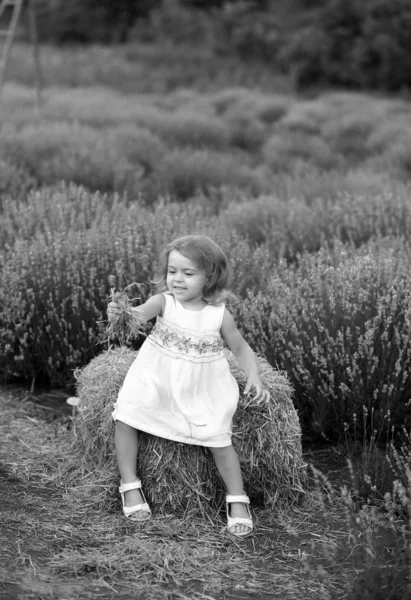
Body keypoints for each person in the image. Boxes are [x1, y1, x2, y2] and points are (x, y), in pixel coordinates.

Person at [108, 234, 269, 538]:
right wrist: (121, 314)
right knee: (127, 413)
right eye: (172, 271)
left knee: (218, 434)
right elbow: (137, 315)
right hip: (156, 378)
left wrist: (254, 376)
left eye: (188, 273)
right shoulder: (164, 302)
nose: (177, 279)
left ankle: (237, 498)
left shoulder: (219, 314)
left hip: (201, 385)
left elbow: (241, 348)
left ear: (210, 277)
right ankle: (129, 484)